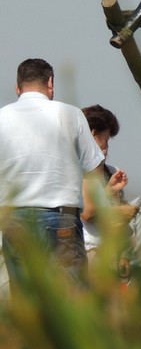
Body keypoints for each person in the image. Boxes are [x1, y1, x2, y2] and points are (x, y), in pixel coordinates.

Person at [0, 59, 105, 295]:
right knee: (72, 301)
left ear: (17, 87)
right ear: (50, 83)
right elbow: (95, 169)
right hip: (61, 219)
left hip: (15, 221)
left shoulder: (1, 117)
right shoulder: (70, 114)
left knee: (29, 302)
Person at [80, 105, 138, 271]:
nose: (106, 148)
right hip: (90, 249)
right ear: (93, 135)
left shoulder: (104, 170)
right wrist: (122, 210)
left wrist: (111, 192)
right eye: (105, 140)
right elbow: (88, 212)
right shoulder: (84, 167)